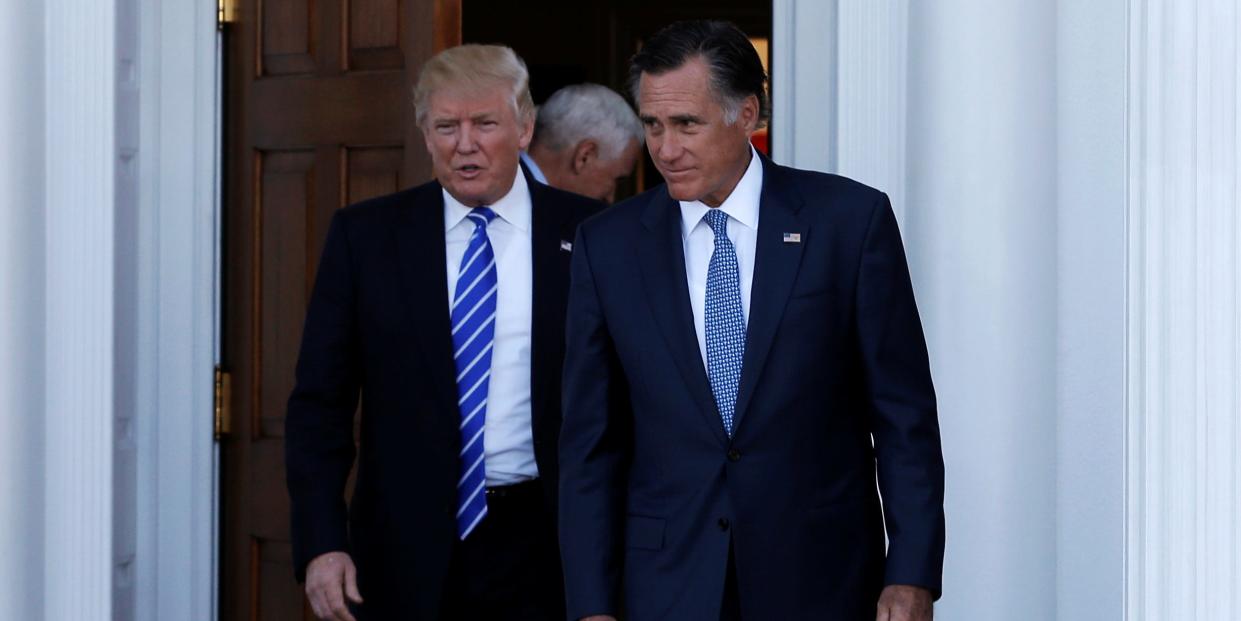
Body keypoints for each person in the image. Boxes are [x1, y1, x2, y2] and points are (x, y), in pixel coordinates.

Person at [558, 20, 945, 621]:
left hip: (821, 579)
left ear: (747, 114)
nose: (665, 148)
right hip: (666, 585)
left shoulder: (848, 223)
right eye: (653, 125)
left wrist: (912, 573)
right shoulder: (606, 247)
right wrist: (591, 604)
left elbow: (903, 419)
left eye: (687, 124)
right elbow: (590, 446)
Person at [285, 44, 603, 621]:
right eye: (446, 126)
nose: (465, 144)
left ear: (525, 128)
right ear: (425, 135)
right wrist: (322, 542)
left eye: (485, 124)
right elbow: (319, 406)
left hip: (547, 544)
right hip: (403, 547)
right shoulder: (367, 238)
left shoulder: (591, 236)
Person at [520, 83, 643, 203]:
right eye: (617, 180)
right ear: (585, 156)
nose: (610, 198)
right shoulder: (524, 206)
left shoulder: (511, 189)